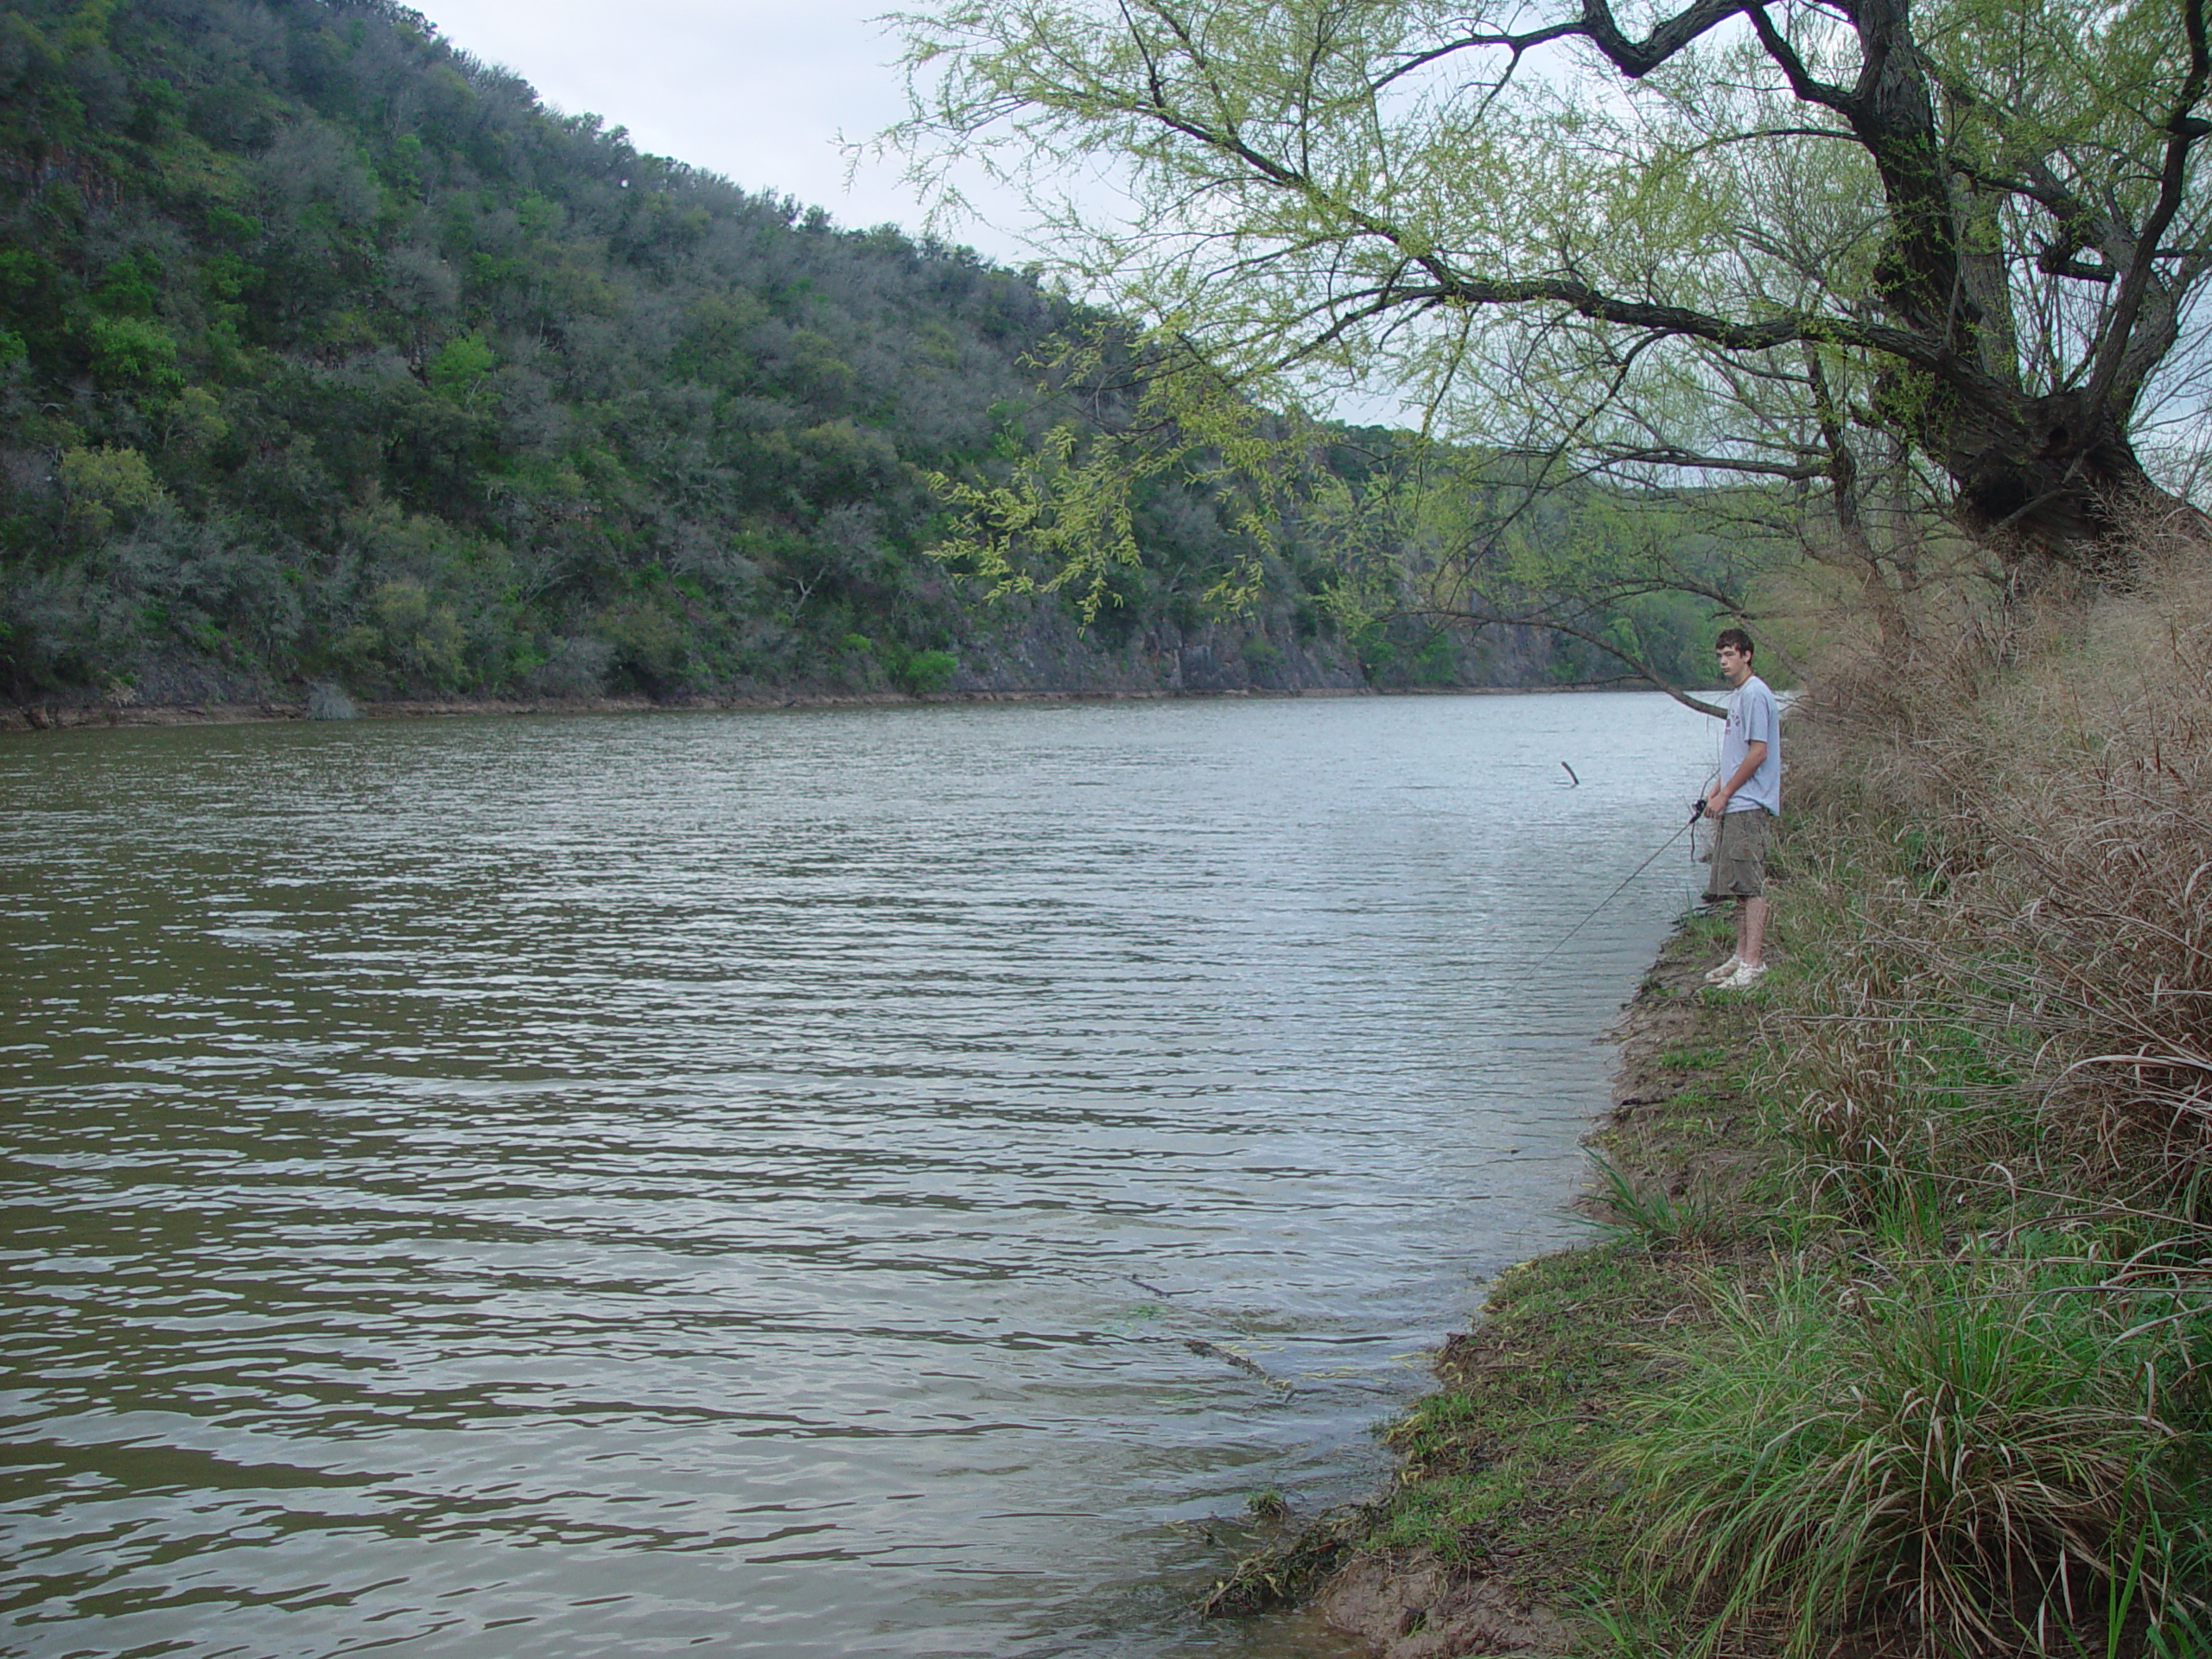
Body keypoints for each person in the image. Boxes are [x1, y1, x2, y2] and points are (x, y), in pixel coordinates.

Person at [1700, 629, 1780, 990]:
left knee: (1752, 885)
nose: (1723, 661)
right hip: (1734, 802)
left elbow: (1758, 751)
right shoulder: (1738, 697)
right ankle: (1739, 955)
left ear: (1747, 655)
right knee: (1738, 885)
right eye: (1720, 655)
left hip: (1750, 804)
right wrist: (1715, 792)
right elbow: (1734, 754)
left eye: (1730, 654)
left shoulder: (1756, 694)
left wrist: (1728, 793)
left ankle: (1754, 963)